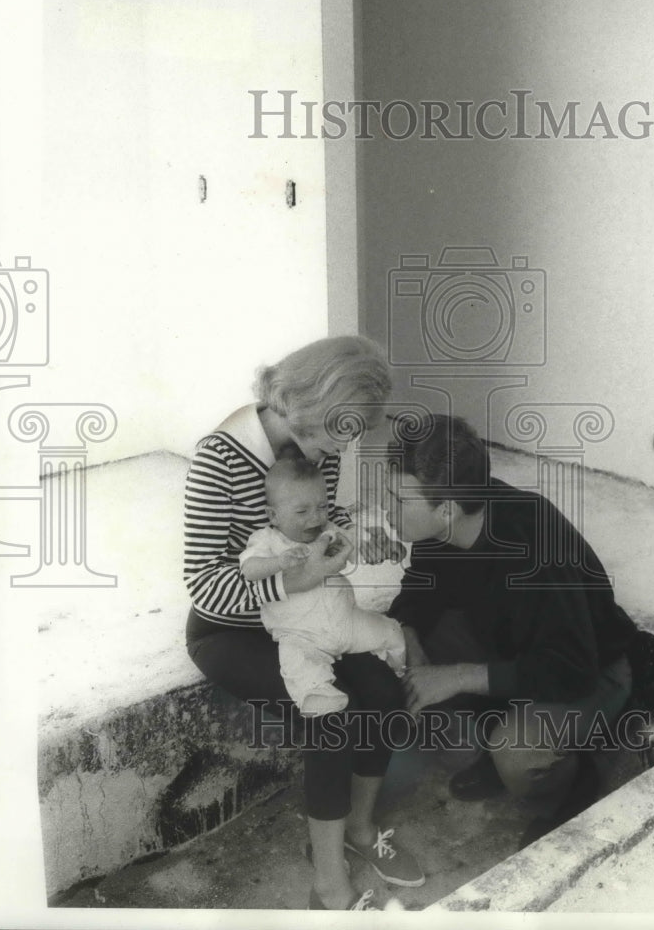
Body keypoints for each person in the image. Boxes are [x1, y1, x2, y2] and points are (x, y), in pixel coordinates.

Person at [184, 335, 423, 911]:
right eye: (335, 432)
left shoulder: (320, 439)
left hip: (311, 615)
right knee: (329, 711)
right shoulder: (218, 458)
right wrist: (299, 580)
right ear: (301, 402)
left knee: (385, 691)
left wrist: (346, 534)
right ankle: (327, 879)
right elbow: (204, 585)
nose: (338, 448)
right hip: (232, 628)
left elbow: (322, 515)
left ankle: (360, 830)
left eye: (350, 433)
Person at [383, 414, 638, 847]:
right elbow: (418, 591)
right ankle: (496, 734)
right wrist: (411, 641)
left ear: (445, 510)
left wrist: (458, 676)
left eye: (397, 500)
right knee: (402, 645)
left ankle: (582, 776)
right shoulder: (447, 520)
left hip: (592, 670)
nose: (386, 510)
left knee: (518, 757)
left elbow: (570, 669)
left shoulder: (535, 547)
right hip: (515, 651)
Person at [241, 453, 406, 716]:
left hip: (347, 622)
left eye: (322, 507)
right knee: (297, 662)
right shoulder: (267, 541)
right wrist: (279, 563)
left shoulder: (328, 531)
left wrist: (383, 549)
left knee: (391, 631)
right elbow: (249, 570)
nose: (315, 518)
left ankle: (400, 668)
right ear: (273, 515)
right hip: (302, 634)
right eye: (302, 511)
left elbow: (355, 549)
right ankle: (318, 696)